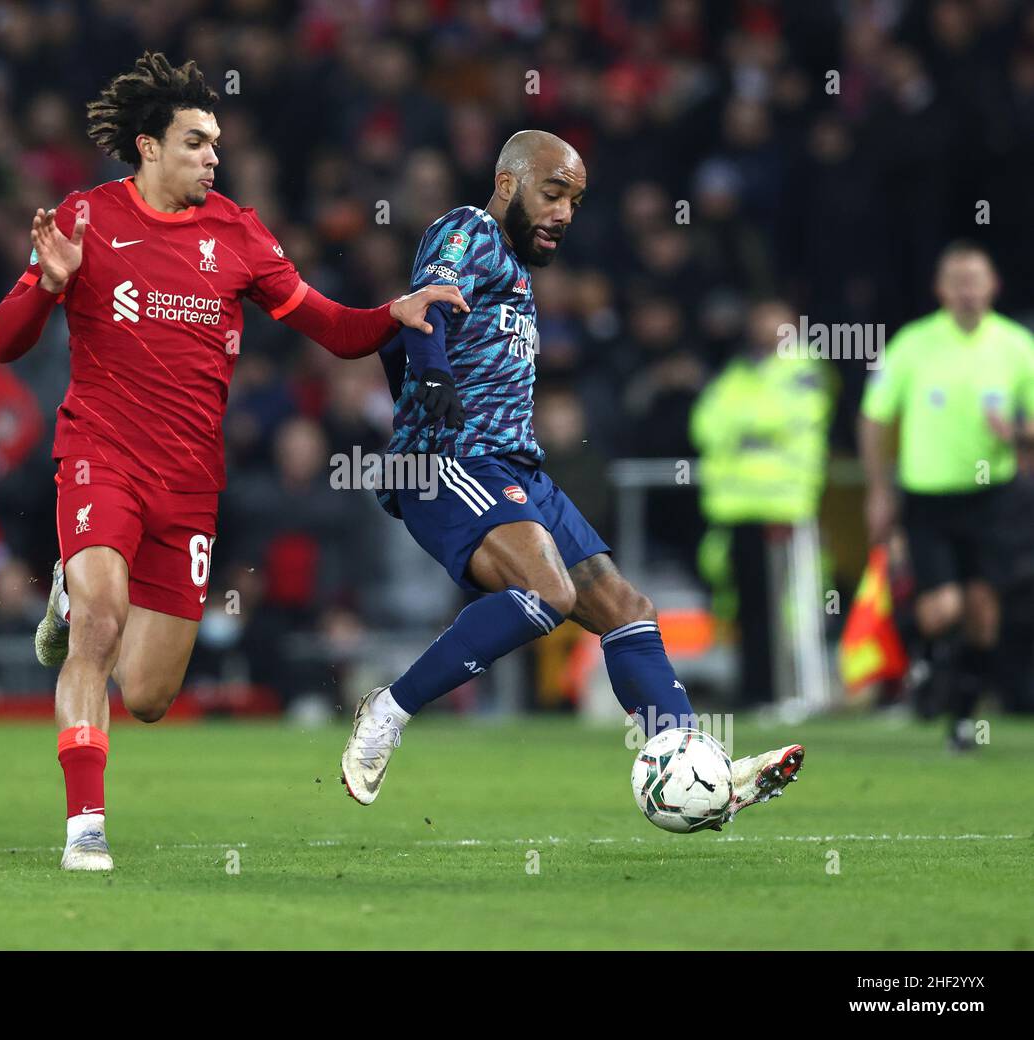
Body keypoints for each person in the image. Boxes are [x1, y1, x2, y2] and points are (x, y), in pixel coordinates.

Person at [0, 53, 466, 871]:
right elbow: (2, 340)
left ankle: (71, 599)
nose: (214, 156)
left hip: (190, 485)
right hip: (101, 455)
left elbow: (332, 328)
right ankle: (86, 829)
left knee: (146, 696)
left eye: (216, 143)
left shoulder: (238, 234)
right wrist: (46, 285)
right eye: (197, 142)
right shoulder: (87, 218)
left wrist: (395, 312)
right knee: (100, 628)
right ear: (148, 147)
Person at [338, 130, 804, 821]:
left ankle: (695, 768)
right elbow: (426, 304)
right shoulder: (467, 229)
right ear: (507, 185)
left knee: (627, 610)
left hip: (514, 465)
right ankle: (388, 711)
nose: (563, 212)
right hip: (447, 462)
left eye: (576, 201)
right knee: (548, 591)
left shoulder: (518, 273)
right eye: (552, 192)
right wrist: (431, 371)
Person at [859, 241, 1034, 749]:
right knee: (941, 610)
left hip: (994, 498)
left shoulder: (1016, 346)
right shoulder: (913, 344)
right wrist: (878, 491)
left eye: (975, 279)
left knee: (982, 612)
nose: (967, 290)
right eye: (957, 280)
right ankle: (930, 672)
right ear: (941, 290)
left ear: (992, 286)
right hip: (928, 498)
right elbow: (874, 418)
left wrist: (1019, 435)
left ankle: (960, 716)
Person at [690, 299, 834, 705]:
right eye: (760, 319)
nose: (766, 328)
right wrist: (752, 426)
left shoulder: (805, 370)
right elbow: (704, 424)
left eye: (775, 320)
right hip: (736, 508)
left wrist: (742, 426)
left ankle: (798, 694)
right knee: (746, 608)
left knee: (788, 608)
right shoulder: (739, 371)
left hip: (784, 508)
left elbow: (791, 418)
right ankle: (758, 693)